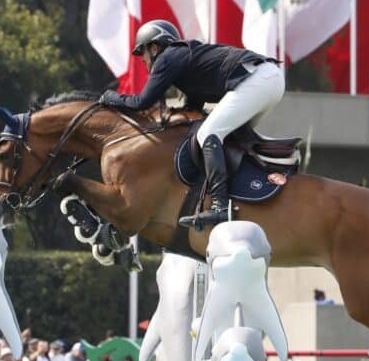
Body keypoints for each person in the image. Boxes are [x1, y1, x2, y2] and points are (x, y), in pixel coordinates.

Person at [99, 19, 284, 228]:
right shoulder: (184, 59)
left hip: (258, 80)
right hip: (270, 79)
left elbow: (142, 102)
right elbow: (194, 107)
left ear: (154, 47)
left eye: (143, 54)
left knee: (208, 134)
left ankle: (220, 207)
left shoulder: (167, 57)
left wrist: (110, 97)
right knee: (233, 138)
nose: (144, 61)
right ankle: (257, 186)